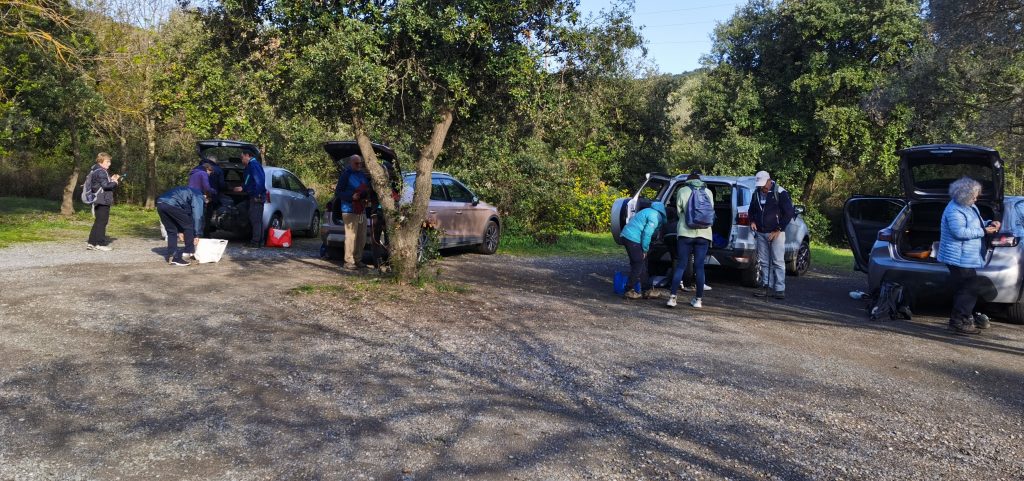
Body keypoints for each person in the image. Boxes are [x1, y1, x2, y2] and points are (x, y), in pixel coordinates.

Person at [937, 177, 999, 335]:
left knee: (965, 289)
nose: (976, 198)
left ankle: (963, 319)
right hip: (958, 257)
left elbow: (976, 224)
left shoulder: (970, 206)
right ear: (964, 195)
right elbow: (959, 232)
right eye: (974, 196)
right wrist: (984, 231)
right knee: (968, 289)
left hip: (966, 257)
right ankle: (958, 322)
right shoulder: (954, 210)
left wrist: (989, 223)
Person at [667, 173, 713, 309]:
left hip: (685, 232)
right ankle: (698, 300)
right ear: (699, 180)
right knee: (699, 266)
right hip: (704, 234)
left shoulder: (682, 190)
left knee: (681, 265)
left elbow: (679, 210)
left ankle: (672, 298)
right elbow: (710, 211)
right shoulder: (708, 192)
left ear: (688, 181)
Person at [749, 170, 794, 299]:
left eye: (764, 184)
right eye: (760, 185)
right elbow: (751, 210)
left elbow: (789, 213)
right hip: (760, 232)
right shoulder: (756, 193)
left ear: (769, 181)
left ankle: (780, 289)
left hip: (777, 233)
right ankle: (766, 285)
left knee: (778, 261)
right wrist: (752, 221)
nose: (762, 187)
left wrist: (778, 229)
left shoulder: (780, 192)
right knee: (764, 261)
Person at [619, 201, 668, 300]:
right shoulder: (655, 217)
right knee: (638, 263)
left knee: (643, 264)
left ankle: (647, 290)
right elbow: (647, 233)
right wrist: (645, 249)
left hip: (627, 236)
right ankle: (628, 290)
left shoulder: (647, 211)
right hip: (632, 238)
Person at [334, 154, 370, 270]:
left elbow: (366, 189)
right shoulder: (346, 175)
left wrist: (366, 197)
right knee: (351, 237)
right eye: (356, 163)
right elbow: (338, 192)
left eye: (360, 163)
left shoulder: (362, 174)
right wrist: (351, 196)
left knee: (362, 237)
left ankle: (358, 260)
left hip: (361, 210)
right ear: (351, 163)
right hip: (349, 210)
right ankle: (348, 261)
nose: (359, 165)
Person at [156, 186, 205, 266]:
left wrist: (180, 231)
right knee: (189, 226)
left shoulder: (188, 191)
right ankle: (188, 254)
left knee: (172, 231)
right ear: (205, 196)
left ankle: (173, 257)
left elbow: (180, 216)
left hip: (160, 203)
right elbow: (197, 216)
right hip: (172, 204)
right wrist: (197, 234)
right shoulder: (198, 195)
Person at [86, 152, 121, 251]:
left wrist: (111, 179)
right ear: (101, 161)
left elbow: (101, 184)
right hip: (102, 199)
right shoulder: (101, 171)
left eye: (109, 161)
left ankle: (91, 243)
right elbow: (106, 186)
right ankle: (100, 244)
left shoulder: (95, 170)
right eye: (107, 161)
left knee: (98, 221)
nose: (109, 164)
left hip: (97, 199)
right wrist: (115, 182)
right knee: (102, 222)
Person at [233, 150, 266, 248]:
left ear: (247, 155)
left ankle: (256, 242)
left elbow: (259, 182)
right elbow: (249, 181)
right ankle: (259, 241)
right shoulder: (251, 166)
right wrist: (243, 187)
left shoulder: (254, 165)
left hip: (256, 196)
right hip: (254, 195)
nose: (241, 160)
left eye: (242, 157)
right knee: (256, 219)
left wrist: (257, 194)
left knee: (255, 220)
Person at [188, 162, 216, 235]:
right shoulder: (203, 173)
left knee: (193, 215)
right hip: (197, 196)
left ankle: (191, 233)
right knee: (200, 215)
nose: (210, 174)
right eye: (210, 172)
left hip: (189, 195)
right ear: (207, 169)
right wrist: (214, 191)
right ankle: (199, 235)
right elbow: (207, 187)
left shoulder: (193, 173)